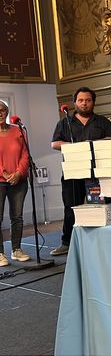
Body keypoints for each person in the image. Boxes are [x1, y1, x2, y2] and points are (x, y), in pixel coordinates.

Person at [50, 87, 111, 256]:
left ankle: (107, 238)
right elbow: (55, 143)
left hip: (99, 172)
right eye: (81, 100)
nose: (84, 103)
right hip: (73, 171)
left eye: (88, 100)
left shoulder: (102, 122)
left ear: (93, 102)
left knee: (104, 204)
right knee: (71, 206)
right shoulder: (64, 122)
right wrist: (76, 147)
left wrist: (93, 144)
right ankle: (67, 242)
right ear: (75, 103)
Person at [0, 101, 31, 266]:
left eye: (3, 110)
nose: (0, 113)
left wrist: (19, 173)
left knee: (17, 217)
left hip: (19, 180)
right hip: (0, 181)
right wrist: (4, 174)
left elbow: (25, 154)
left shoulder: (18, 130)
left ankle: (16, 249)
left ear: (7, 112)